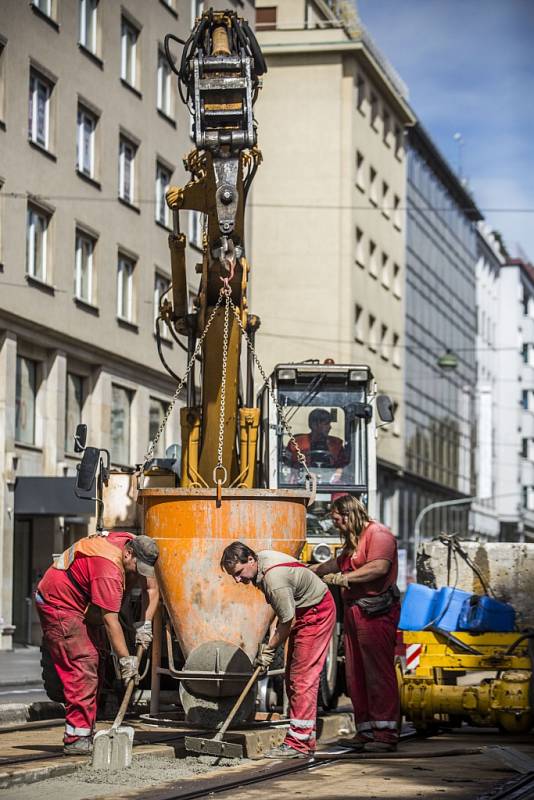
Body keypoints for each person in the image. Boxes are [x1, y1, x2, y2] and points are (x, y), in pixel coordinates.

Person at [35, 531, 159, 755]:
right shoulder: (108, 570)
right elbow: (111, 622)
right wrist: (126, 661)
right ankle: (76, 739)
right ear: (128, 554)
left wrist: (146, 624)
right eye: (137, 568)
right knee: (83, 666)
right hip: (60, 604)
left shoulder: (135, 544)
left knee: (97, 661)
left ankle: (85, 732)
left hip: (83, 604)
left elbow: (151, 588)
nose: (139, 574)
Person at [220, 542, 336, 759]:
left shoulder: (274, 579)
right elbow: (281, 611)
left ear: (251, 560)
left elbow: (287, 620)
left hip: (315, 614)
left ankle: (298, 744)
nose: (237, 579)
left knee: (302, 678)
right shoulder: (262, 565)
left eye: (238, 572)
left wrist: (269, 650)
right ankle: (304, 736)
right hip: (303, 611)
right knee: (293, 676)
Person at [312, 495, 400, 752]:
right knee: (356, 673)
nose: (337, 526)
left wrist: (344, 579)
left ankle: (385, 734)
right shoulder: (353, 542)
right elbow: (333, 564)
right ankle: (366, 731)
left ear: (349, 514)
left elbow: (379, 568)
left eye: (338, 520)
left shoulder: (378, 535)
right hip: (355, 611)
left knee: (377, 672)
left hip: (376, 612)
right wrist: (307, 569)